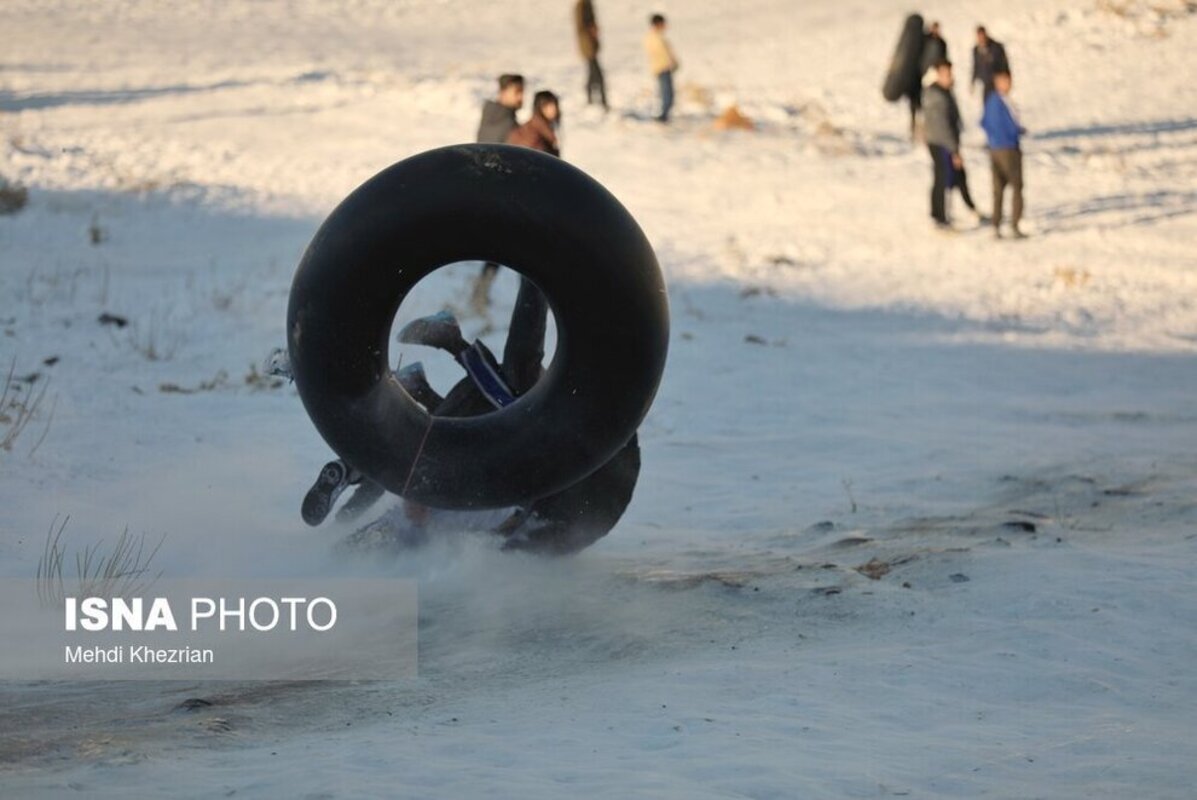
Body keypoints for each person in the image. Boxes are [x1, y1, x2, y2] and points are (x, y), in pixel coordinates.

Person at [471, 74, 526, 313]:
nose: (521, 97)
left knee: (501, 249)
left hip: (491, 192)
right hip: (505, 195)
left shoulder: (491, 116)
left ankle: (479, 296)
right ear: (503, 92)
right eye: (517, 92)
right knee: (518, 250)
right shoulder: (507, 124)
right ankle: (525, 304)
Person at [923, 59, 983, 229]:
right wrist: (954, 150)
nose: (950, 77)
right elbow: (942, 126)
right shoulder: (936, 96)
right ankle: (940, 218)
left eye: (950, 73)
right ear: (937, 74)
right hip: (941, 143)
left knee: (957, 176)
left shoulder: (943, 92)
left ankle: (970, 209)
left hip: (944, 142)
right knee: (943, 179)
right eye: (946, 73)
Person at [981, 69, 1027, 239]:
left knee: (998, 189)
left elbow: (983, 122)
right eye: (1005, 80)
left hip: (995, 148)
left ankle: (997, 225)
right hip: (1007, 148)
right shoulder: (998, 102)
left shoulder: (994, 101)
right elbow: (997, 124)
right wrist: (1013, 133)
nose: (1008, 84)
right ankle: (1014, 224)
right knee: (1015, 186)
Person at [644, 13, 678, 123]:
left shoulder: (657, 36)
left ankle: (664, 116)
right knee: (667, 93)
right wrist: (670, 62)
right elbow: (661, 53)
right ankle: (663, 117)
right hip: (662, 68)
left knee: (667, 93)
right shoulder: (654, 37)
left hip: (663, 67)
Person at [575, 0, 608, 110]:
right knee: (597, 75)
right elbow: (581, 27)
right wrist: (591, 30)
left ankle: (593, 100)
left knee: (593, 75)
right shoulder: (581, 6)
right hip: (588, 47)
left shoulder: (588, 4)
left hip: (591, 45)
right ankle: (601, 102)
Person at [507, 91, 561, 156]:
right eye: (547, 106)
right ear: (539, 107)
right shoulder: (534, 130)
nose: (553, 109)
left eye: (554, 104)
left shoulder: (540, 128)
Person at [971, 26, 1009, 100]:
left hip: (997, 82)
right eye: (979, 37)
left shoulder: (996, 48)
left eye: (982, 36)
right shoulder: (976, 50)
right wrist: (973, 81)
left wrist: (1005, 78)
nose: (981, 39)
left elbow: (1004, 64)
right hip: (986, 82)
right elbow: (975, 66)